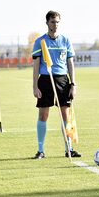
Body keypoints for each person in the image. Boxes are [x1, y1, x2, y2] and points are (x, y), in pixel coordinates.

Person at [32, 10, 81, 159]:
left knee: (65, 115)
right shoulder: (40, 41)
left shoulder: (65, 40)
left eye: (58, 22)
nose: (55, 25)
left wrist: (73, 83)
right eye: (53, 22)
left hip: (62, 80)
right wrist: (35, 86)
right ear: (47, 23)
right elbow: (36, 65)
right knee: (43, 115)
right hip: (46, 80)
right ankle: (41, 150)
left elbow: (70, 62)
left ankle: (69, 148)